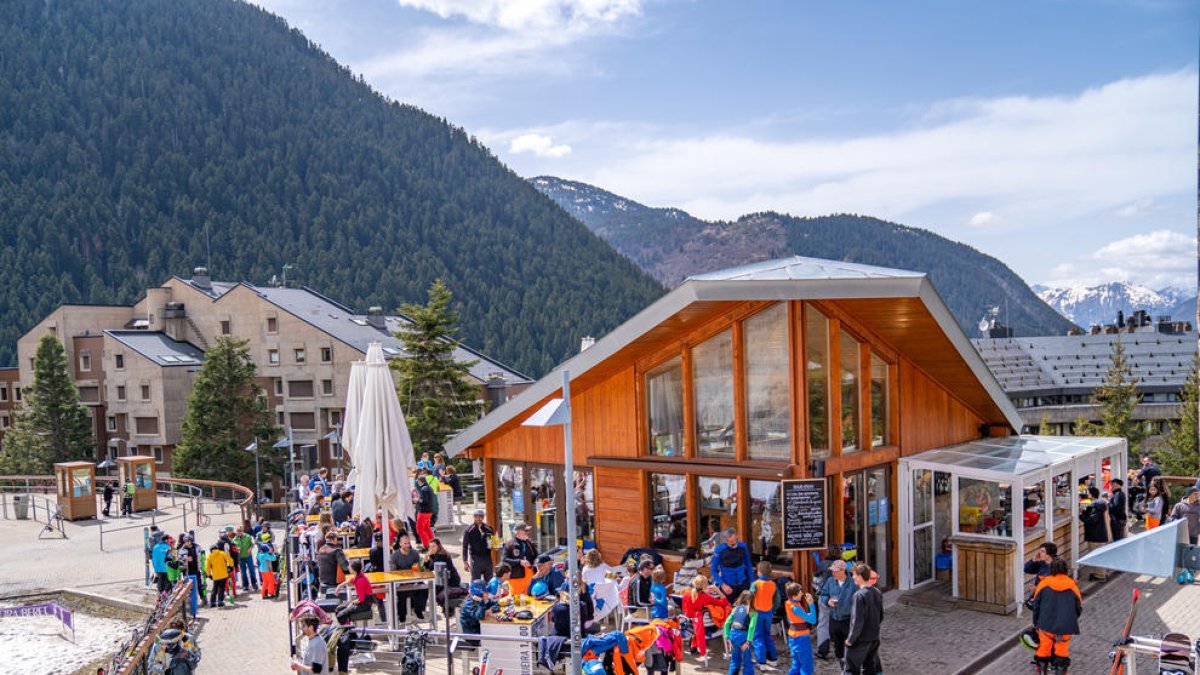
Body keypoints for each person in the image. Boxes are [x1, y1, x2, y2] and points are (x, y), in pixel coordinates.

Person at [1031, 558, 1082, 675]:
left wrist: (1035, 622)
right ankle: (1060, 671)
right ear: (1065, 570)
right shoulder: (1072, 586)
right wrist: (1070, 619)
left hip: (1045, 624)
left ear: (1051, 569)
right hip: (1065, 627)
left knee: (1043, 650)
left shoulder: (1043, 584)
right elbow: (1078, 608)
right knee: (1061, 652)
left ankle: (1042, 671)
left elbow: (1036, 605)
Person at [844, 563, 884, 675]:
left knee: (851, 670)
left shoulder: (859, 595)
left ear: (860, 576)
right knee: (869, 668)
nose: (853, 577)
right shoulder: (877, 592)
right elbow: (880, 616)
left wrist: (850, 640)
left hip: (860, 640)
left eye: (854, 575)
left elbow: (857, 621)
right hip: (874, 638)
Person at [818, 559, 856, 670]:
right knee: (838, 646)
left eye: (835, 571)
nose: (833, 573)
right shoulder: (830, 581)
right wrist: (827, 601)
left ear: (843, 570)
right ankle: (842, 665)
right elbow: (823, 594)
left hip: (848, 619)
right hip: (834, 619)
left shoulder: (853, 583)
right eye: (832, 571)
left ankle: (849, 668)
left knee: (849, 645)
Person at [389, 533, 428, 623]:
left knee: (424, 589)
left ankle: (418, 610)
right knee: (402, 594)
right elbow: (393, 571)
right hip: (401, 581)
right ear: (400, 544)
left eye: (408, 543)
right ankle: (402, 615)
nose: (407, 545)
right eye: (405, 543)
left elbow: (420, 568)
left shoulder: (414, 553)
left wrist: (421, 564)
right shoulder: (395, 556)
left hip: (414, 579)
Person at [710, 528, 754, 603]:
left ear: (737, 537)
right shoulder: (720, 550)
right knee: (729, 611)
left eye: (734, 541)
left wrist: (752, 583)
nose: (732, 544)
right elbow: (713, 569)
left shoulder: (743, 546)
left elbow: (749, 565)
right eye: (730, 542)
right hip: (728, 586)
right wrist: (723, 585)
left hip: (743, 584)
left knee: (745, 610)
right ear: (726, 540)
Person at [748, 561, 778, 667]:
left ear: (759, 572)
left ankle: (761, 662)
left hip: (757, 613)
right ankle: (773, 659)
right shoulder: (773, 584)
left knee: (758, 637)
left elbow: (750, 597)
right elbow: (777, 599)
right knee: (767, 635)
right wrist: (773, 609)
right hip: (768, 612)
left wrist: (749, 610)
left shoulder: (755, 584)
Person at [783, 582, 817, 675]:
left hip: (793, 637)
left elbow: (800, 617)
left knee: (796, 665)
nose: (802, 593)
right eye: (800, 592)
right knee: (806, 666)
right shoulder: (796, 608)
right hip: (801, 639)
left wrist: (807, 615)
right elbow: (813, 620)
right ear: (794, 596)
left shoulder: (789, 603)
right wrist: (811, 604)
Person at [423, 538, 465, 607]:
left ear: (438, 546)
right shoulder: (436, 554)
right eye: (430, 547)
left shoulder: (441, 555)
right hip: (445, 579)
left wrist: (426, 557)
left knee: (432, 588)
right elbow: (426, 568)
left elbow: (430, 568)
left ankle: (440, 606)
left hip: (451, 580)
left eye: (434, 546)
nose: (431, 548)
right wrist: (426, 558)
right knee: (432, 587)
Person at [1080, 486, 1110, 580]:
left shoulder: (1095, 506)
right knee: (1100, 556)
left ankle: (1100, 576)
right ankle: (1102, 574)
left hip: (1095, 536)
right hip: (1100, 535)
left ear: (1090, 495)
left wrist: (1081, 516)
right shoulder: (1099, 505)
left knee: (1097, 557)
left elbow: (1092, 520)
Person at [723, 590, 756, 675]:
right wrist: (748, 641)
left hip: (733, 635)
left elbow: (726, 623)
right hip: (744, 637)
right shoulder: (753, 612)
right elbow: (751, 627)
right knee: (747, 661)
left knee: (735, 661)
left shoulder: (735, 609)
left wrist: (727, 637)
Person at [501, 523, 538, 596]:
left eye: (528, 531)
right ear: (518, 532)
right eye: (526, 530)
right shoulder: (509, 544)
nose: (528, 532)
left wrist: (536, 561)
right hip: (516, 577)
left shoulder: (529, 543)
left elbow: (536, 556)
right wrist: (520, 562)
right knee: (517, 600)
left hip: (530, 575)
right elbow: (505, 560)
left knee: (530, 597)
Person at [459, 580, 498, 646]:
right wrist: (481, 602)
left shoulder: (484, 600)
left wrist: (491, 610)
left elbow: (496, 604)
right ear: (479, 593)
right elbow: (480, 616)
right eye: (486, 592)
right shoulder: (469, 604)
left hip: (482, 630)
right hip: (473, 637)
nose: (488, 594)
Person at [462, 509, 496, 582]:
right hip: (475, 558)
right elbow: (465, 546)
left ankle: (489, 593)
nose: (478, 518)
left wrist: (497, 545)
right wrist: (465, 561)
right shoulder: (469, 530)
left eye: (480, 516)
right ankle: (475, 593)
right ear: (474, 517)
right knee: (476, 581)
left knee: (490, 581)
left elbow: (493, 543)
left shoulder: (488, 528)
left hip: (487, 557)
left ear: (483, 517)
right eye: (476, 516)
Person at [205, 544, 232, 608]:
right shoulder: (222, 553)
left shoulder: (209, 556)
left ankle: (212, 602)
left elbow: (207, 567)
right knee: (221, 588)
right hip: (224, 574)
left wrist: (209, 575)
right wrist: (230, 567)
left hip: (215, 576)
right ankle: (220, 601)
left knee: (214, 589)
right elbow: (230, 560)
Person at [233, 526, 259, 593]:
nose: (239, 533)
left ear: (242, 531)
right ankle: (245, 586)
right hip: (241, 557)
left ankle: (254, 584)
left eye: (240, 532)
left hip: (248, 556)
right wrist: (236, 550)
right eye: (238, 532)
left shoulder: (247, 537)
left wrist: (250, 548)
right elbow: (233, 549)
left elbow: (252, 544)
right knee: (243, 572)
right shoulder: (234, 540)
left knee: (251, 570)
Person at [414, 472, 435, 547]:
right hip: (429, 511)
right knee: (427, 528)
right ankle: (434, 544)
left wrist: (417, 500)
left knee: (419, 529)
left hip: (423, 512)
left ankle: (426, 546)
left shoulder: (424, 489)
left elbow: (424, 501)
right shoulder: (428, 488)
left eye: (418, 481)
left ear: (421, 481)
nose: (418, 483)